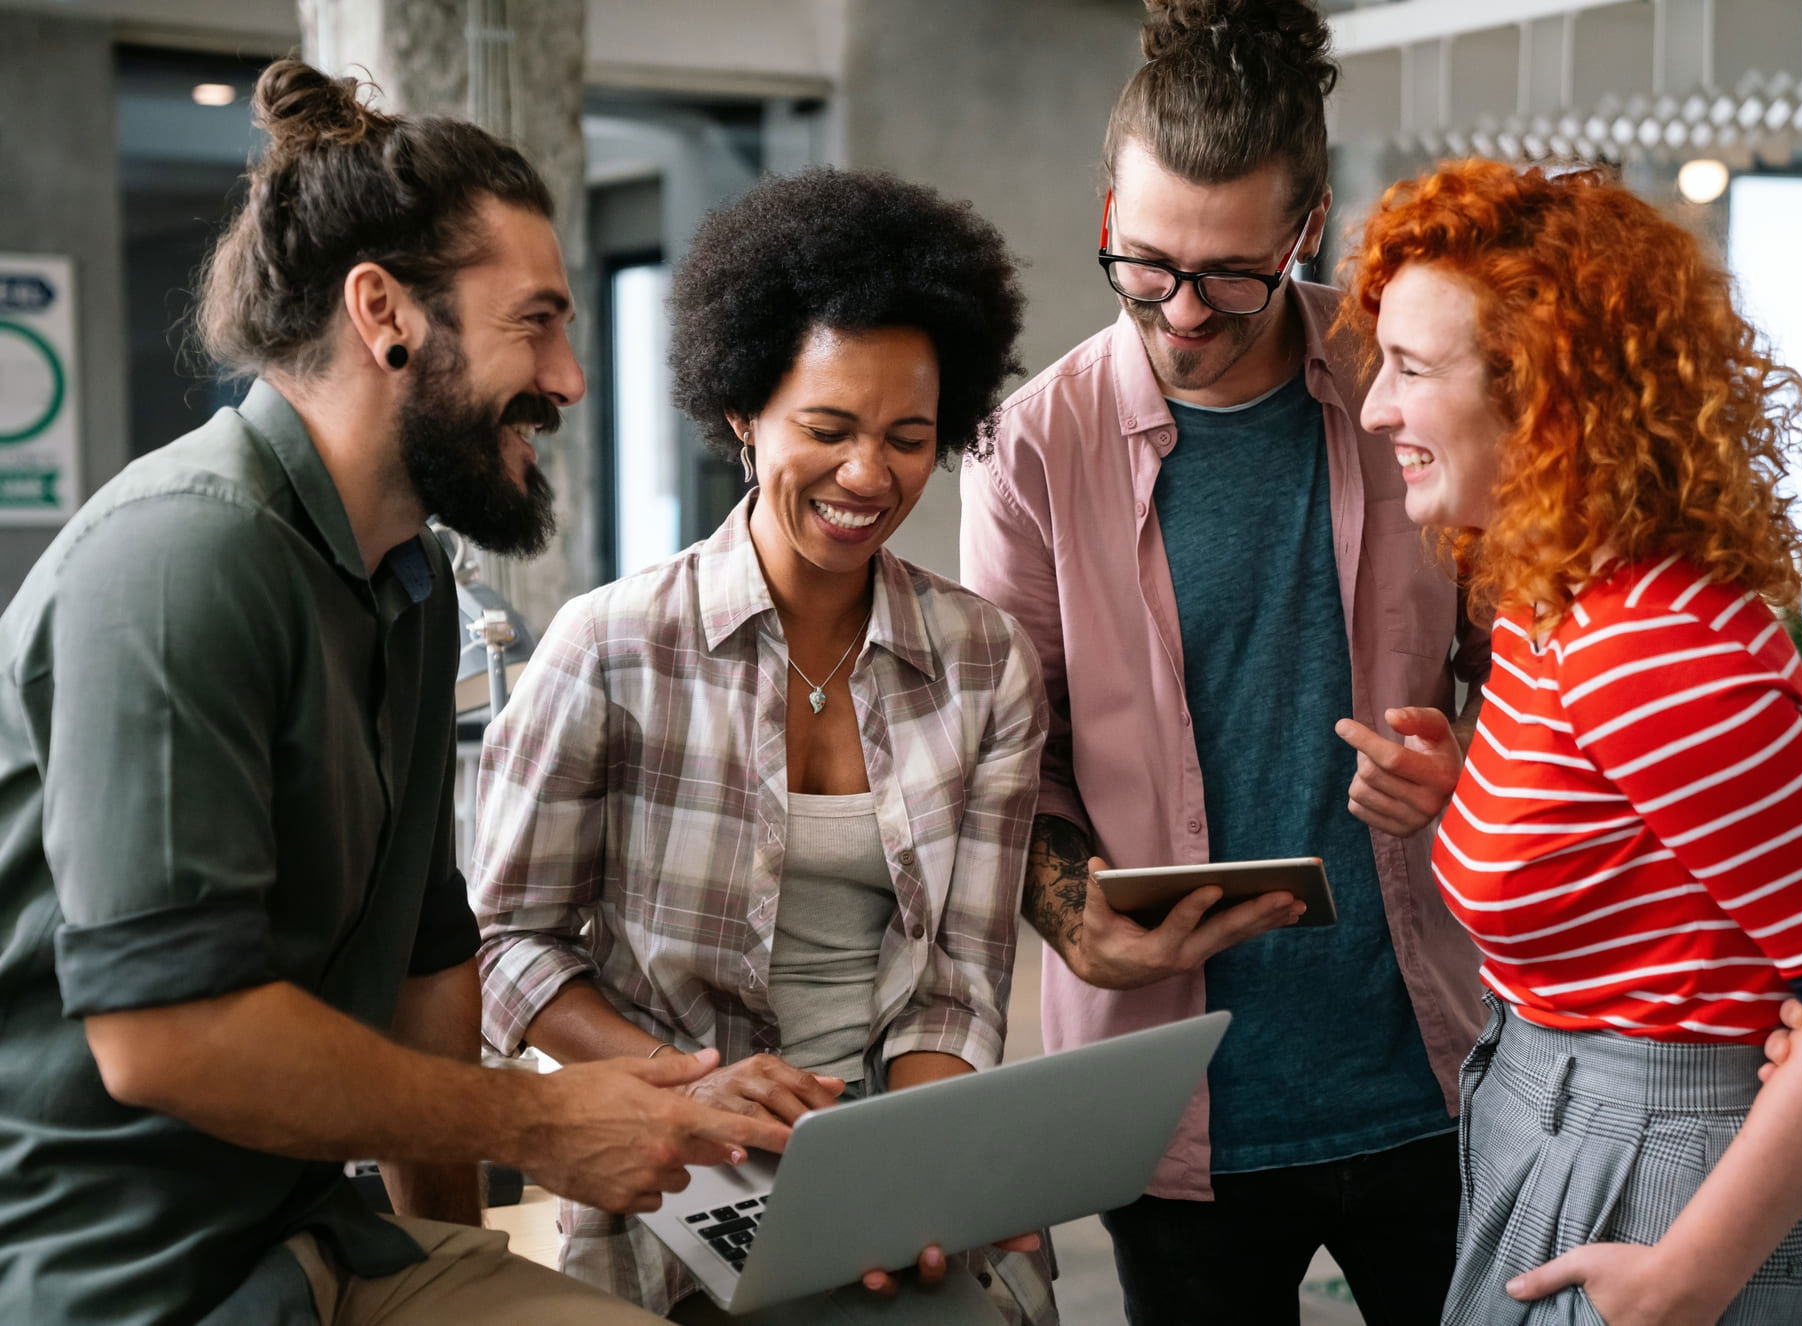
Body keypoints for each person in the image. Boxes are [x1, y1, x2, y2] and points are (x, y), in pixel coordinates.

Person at [0, 61, 789, 1326]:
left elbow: (430, 970)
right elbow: (165, 1037)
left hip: (325, 1246)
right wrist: (534, 1121)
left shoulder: (407, 582)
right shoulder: (176, 564)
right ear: (386, 314)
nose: (570, 379)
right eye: (536, 322)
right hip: (124, 1287)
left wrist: (448, 1260)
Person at [958, 3, 1492, 1322]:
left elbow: (1525, 659)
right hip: (1176, 1103)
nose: (1183, 314)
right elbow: (1008, 760)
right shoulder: (1031, 445)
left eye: (1230, 277)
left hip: (1442, 1064)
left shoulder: (1399, 387)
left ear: (1306, 226)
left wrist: (1469, 765)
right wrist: (1077, 917)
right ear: (1107, 210)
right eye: (1142, 266)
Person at [1343, 158, 1802, 1326]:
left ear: (1541, 395)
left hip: (1654, 1184)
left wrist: (1685, 1277)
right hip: (1548, 1116)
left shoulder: (1649, 644)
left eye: (1410, 370)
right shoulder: (1547, 593)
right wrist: (1470, 792)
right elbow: (1648, 863)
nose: (1374, 408)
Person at [469, 167, 1054, 1324]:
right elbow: (501, 944)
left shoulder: (983, 662)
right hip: (674, 1172)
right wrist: (691, 1093)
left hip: (894, 1150)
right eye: (827, 429)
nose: (867, 475)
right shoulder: (611, 648)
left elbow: (956, 986)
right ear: (741, 410)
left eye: (907, 437)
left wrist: (912, 1170)